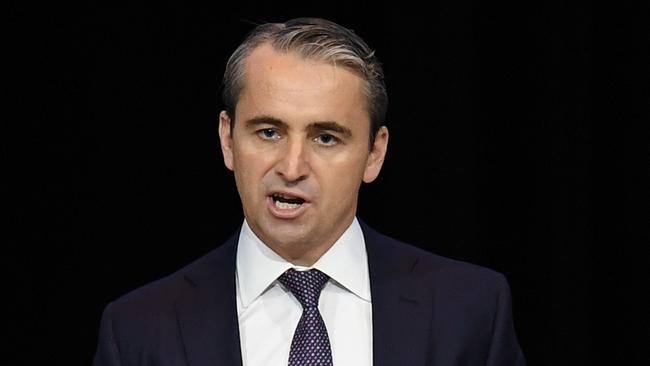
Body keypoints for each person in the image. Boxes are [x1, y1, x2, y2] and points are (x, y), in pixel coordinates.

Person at [92, 17, 526, 366]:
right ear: (227, 140)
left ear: (375, 153)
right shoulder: (138, 330)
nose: (292, 167)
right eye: (268, 132)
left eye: (325, 138)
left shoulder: (471, 311)